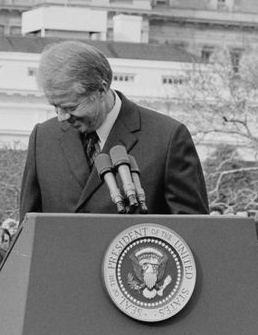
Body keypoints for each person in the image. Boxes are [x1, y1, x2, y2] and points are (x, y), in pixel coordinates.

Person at [20, 40, 208, 218]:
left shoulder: (167, 139)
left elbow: (192, 232)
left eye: (71, 107)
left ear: (101, 90)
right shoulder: (43, 138)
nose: (61, 117)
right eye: (55, 107)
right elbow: (27, 231)